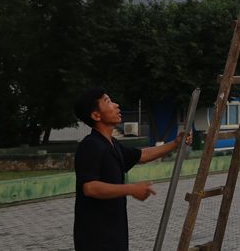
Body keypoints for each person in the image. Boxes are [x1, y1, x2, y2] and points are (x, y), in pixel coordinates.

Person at [72, 87, 190, 251]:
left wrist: (175, 143)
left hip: (115, 232)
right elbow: (90, 187)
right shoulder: (90, 146)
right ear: (96, 115)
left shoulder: (112, 144)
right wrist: (131, 189)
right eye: (108, 102)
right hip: (95, 237)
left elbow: (142, 155)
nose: (116, 105)